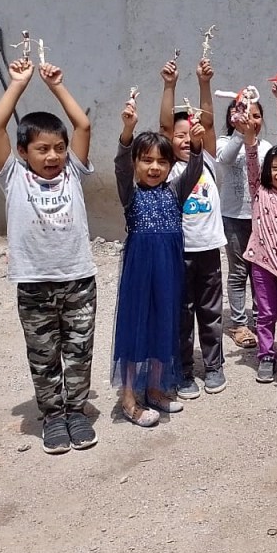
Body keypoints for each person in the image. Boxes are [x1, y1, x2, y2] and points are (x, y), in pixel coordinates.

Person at [0, 58, 97, 455]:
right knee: (43, 355)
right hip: (33, 283)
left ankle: (76, 412)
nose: (53, 156)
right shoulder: (13, 175)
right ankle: (52, 416)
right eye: (42, 149)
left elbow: (83, 125)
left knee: (79, 351)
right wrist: (19, 83)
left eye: (59, 148)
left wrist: (57, 87)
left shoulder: (73, 172)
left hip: (78, 279)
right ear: (23, 151)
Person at [113, 97, 205, 427]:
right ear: (136, 163)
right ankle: (128, 397)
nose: (154, 167)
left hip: (169, 270)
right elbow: (121, 166)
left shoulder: (176, 191)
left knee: (164, 324)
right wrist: (128, 130)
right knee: (135, 326)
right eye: (146, 160)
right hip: (139, 270)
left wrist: (197, 143)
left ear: (170, 165)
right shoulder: (131, 194)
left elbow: (195, 168)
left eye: (161, 162)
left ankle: (154, 389)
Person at [159, 57, 227, 398]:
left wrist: (204, 83)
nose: (186, 140)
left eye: (191, 134)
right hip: (178, 252)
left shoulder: (208, 160)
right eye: (179, 135)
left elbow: (208, 123)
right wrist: (169, 86)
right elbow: (163, 125)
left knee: (211, 311)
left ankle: (214, 366)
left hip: (209, 249)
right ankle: (184, 370)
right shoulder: (167, 168)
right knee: (181, 313)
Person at [238, 103, 277, 384]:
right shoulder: (259, 190)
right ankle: (265, 354)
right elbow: (252, 158)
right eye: (275, 168)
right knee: (264, 313)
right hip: (262, 262)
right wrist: (249, 135)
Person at [216, 89, 270, 350]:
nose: (250, 119)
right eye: (243, 113)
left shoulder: (267, 148)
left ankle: (261, 318)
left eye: (256, 115)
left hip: (261, 218)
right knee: (238, 271)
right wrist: (240, 133)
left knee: (260, 270)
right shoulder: (224, 142)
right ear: (231, 118)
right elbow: (224, 160)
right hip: (233, 216)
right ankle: (239, 323)